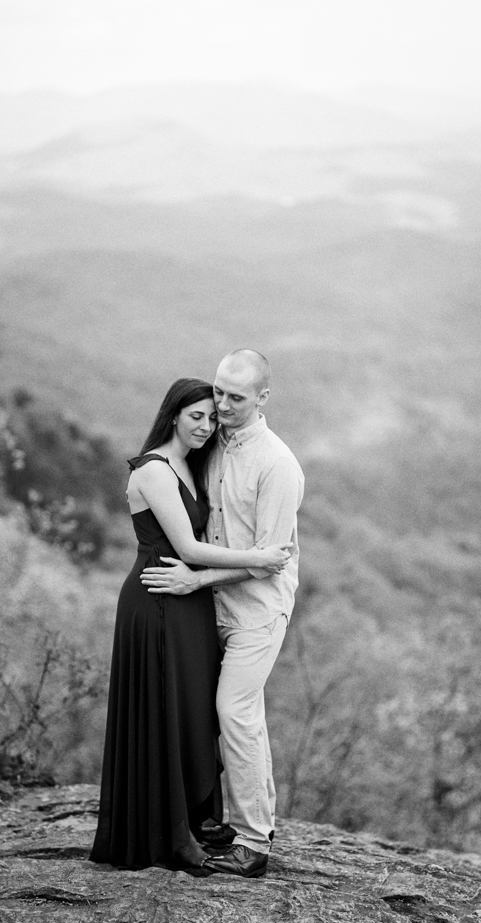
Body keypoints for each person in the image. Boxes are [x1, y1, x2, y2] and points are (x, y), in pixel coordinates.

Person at [90, 377, 291, 873]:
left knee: (193, 713)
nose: (206, 424)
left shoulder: (197, 459)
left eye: (212, 415)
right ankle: (169, 834)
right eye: (195, 415)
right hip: (160, 596)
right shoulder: (156, 469)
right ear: (173, 415)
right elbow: (190, 550)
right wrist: (260, 557)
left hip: (192, 597)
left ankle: (198, 820)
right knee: (166, 712)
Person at [141, 350, 304, 878]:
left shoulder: (277, 464)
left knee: (236, 712)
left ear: (262, 398)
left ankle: (254, 842)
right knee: (205, 712)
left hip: (258, 610)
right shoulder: (209, 444)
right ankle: (210, 821)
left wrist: (196, 578)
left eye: (237, 397)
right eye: (218, 392)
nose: (223, 405)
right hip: (203, 608)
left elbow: (269, 560)